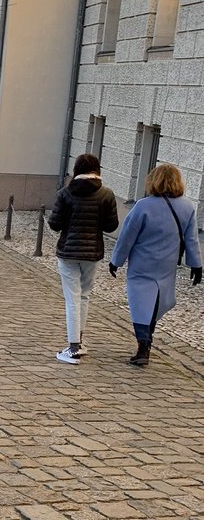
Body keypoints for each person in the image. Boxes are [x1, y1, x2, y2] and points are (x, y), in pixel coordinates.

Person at [108, 162, 202, 367]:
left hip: (142, 263)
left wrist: (116, 261)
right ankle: (146, 340)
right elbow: (192, 239)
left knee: (140, 304)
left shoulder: (143, 205)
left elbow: (127, 237)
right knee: (157, 303)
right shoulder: (187, 207)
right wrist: (196, 265)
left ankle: (143, 345)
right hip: (167, 265)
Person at [47, 153, 119, 364]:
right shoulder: (106, 194)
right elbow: (111, 226)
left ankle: (73, 348)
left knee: (72, 298)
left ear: (77, 169)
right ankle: (79, 340)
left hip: (68, 252)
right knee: (84, 296)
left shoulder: (66, 193)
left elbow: (54, 223)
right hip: (92, 252)